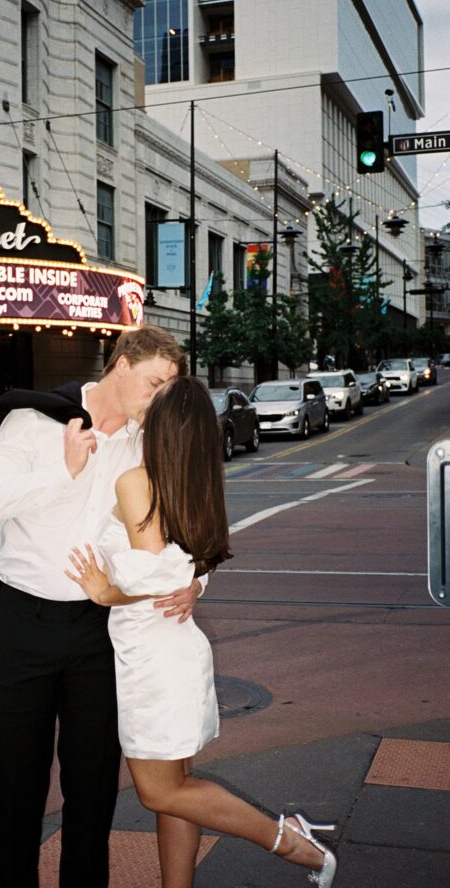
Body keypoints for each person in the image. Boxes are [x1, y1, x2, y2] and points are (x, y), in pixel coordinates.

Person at [67, 376, 337, 888]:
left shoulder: (137, 480)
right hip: (168, 649)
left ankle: (289, 841)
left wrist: (107, 593)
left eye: (154, 401)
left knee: (160, 793)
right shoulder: (193, 485)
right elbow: (186, 565)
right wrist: (189, 582)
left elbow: (158, 572)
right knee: (177, 789)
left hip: (152, 658)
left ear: (163, 425)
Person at [0, 326, 202, 888]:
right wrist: (62, 470)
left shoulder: (149, 444)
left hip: (102, 630)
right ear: (121, 365)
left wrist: (196, 581)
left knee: (93, 790)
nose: (162, 395)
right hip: (26, 624)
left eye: (171, 385)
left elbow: (187, 529)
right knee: (18, 788)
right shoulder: (33, 422)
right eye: (155, 382)